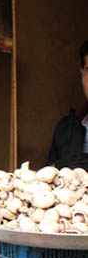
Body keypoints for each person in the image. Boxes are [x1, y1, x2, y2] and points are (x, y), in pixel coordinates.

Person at [47, 40, 88, 169]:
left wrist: (62, 166)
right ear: (82, 74)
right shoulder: (66, 128)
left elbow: (56, 168)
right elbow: (48, 179)